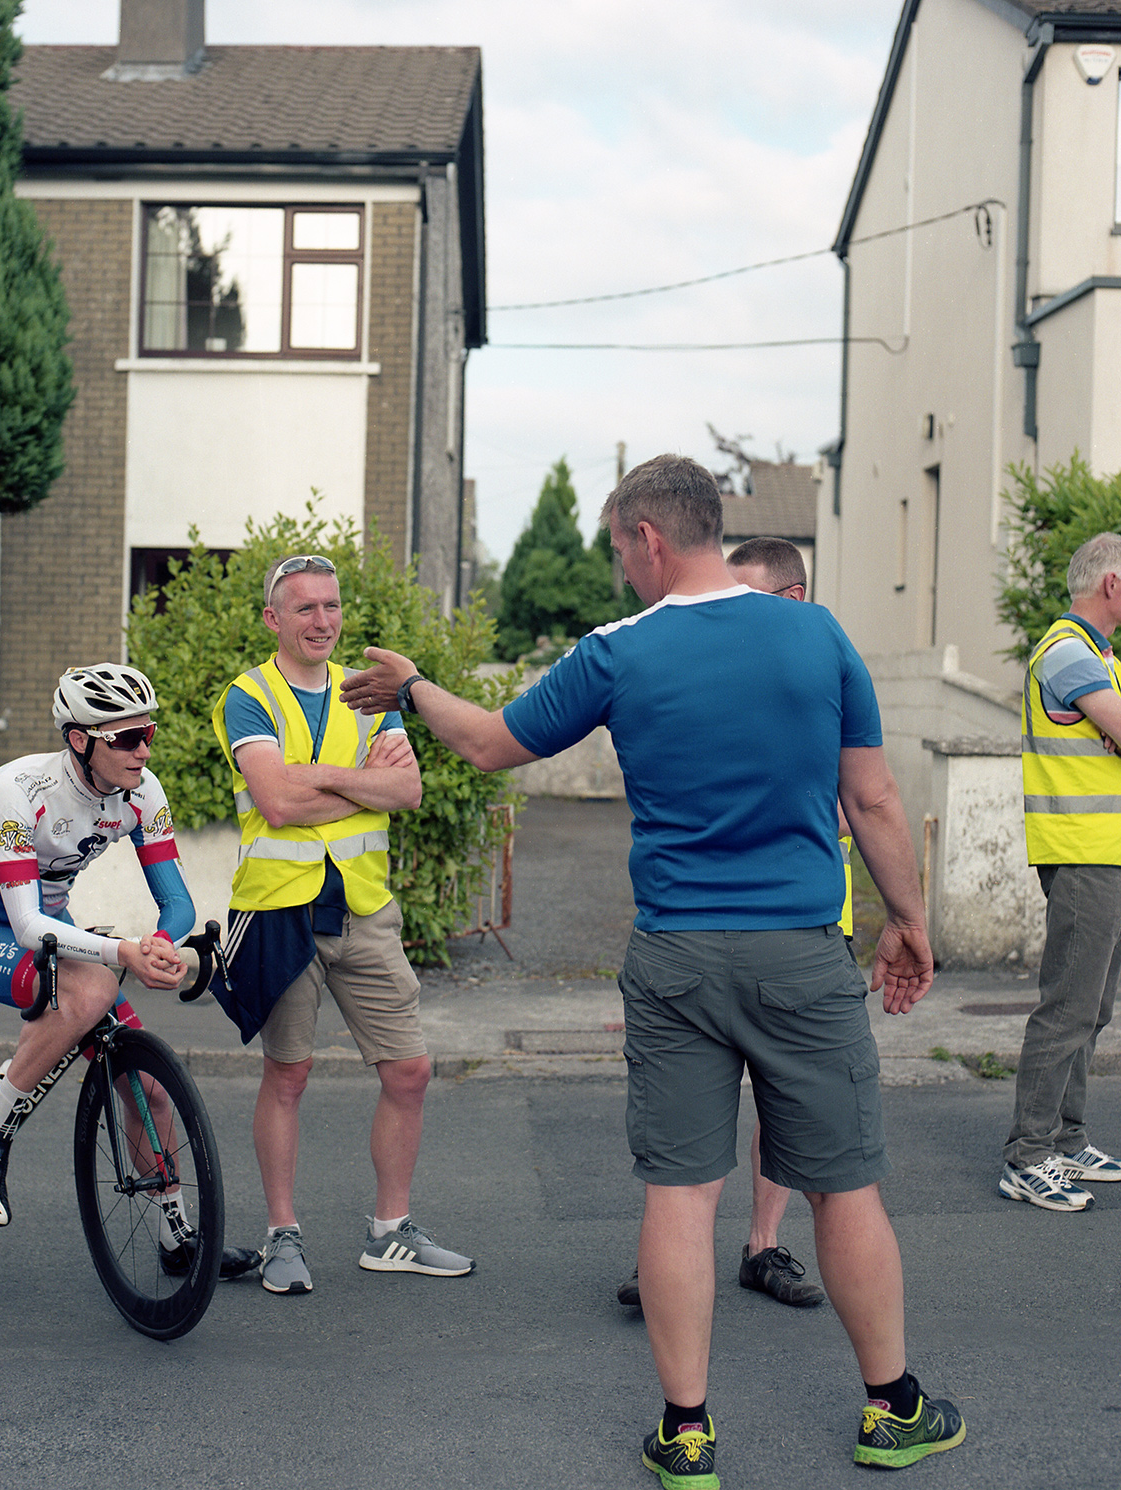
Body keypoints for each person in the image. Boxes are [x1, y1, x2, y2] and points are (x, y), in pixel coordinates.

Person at [341, 456, 965, 1481]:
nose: (623, 567)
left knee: (681, 1193)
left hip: (676, 953)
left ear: (648, 538)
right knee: (843, 1188)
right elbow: (878, 800)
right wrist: (908, 919)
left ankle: (687, 1431)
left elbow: (493, 745)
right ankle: (893, 1409)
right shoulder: (818, 633)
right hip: (802, 951)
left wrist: (411, 683)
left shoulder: (618, 652)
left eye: (621, 547)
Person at [207, 553, 473, 1295]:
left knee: (410, 1071)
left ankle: (391, 1233)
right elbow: (278, 804)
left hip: (363, 907)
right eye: (304, 609)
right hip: (278, 910)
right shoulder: (247, 696)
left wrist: (312, 777)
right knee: (288, 1075)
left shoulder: (369, 693)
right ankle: (281, 1237)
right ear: (273, 619)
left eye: (331, 606)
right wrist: (361, 787)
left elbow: (409, 789)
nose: (322, 621)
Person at [0, 663, 255, 1277]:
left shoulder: (144, 793)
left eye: (148, 735)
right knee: (93, 985)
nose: (141, 751)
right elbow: (30, 927)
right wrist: (123, 953)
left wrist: (161, 944)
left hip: (56, 940)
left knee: (150, 1091)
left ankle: (177, 1241)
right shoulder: (19, 789)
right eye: (124, 738)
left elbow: (179, 903)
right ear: (79, 740)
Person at [616, 535, 833, 1313]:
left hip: (801, 926)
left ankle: (762, 1245)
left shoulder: (814, 664)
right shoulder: (708, 661)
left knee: (788, 1115)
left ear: (793, 600)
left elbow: (863, 798)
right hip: (703, 932)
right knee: (682, 1139)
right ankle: (670, 1263)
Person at [1003, 530, 1121, 1211]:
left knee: (1092, 1008)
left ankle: (1069, 1142)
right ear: (1110, 584)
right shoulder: (1066, 650)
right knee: (1067, 1007)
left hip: (1105, 849)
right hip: (1082, 851)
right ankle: (1028, 1154)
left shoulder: (1101, 658)